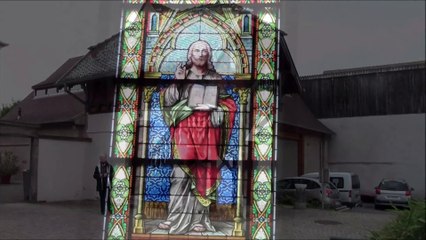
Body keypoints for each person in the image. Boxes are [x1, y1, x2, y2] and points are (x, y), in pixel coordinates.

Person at [159, 40, 237, 234]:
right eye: (197, 50)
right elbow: (167, 101)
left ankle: (199, 220)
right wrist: (178, 81)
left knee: (204, 174)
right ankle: (174, 217)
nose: (201, 54)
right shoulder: (182, 75)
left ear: (209, 55)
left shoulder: (215, 78)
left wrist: (220, 110)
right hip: (184, 132)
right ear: (190, 54)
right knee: (180, 175)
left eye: (205, 50)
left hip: (207, 133)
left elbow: (229, 103)